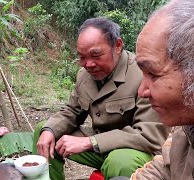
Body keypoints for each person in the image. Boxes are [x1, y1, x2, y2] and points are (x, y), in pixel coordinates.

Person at [33, 17, 170, 180]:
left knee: (120, 161)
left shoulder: (142, 75)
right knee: (46, 132)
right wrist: (49, 130)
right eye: (82, 57)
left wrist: (90, 142)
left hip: (134, 151)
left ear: (117, 46)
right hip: (100, 147)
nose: (88, 64)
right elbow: (71, 111)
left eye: (96, 55)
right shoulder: (85, 75)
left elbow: (150, 135)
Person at [126, 0, 194, 179]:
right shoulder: (185, 125)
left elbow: (146, 135)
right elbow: (166, 166)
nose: (142, 91)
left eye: (153, 74)